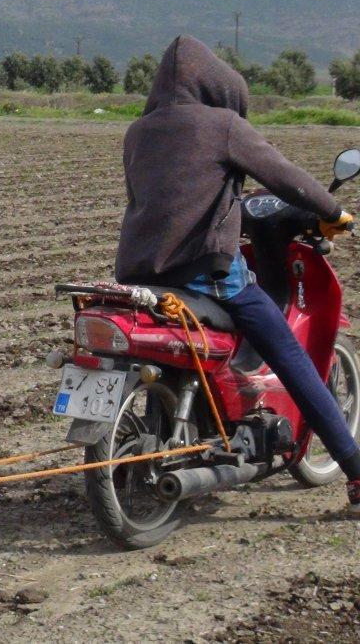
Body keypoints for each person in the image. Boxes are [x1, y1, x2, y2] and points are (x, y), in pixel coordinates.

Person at [115, 34, 360, 516]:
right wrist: (333, 211)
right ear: (216, 84)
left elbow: (168, 198)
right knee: (291, 355)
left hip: (138, 273)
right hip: (205, 274)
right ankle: (355, 467)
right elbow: (284, 175)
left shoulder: (138, 132)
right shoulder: (222, 125)